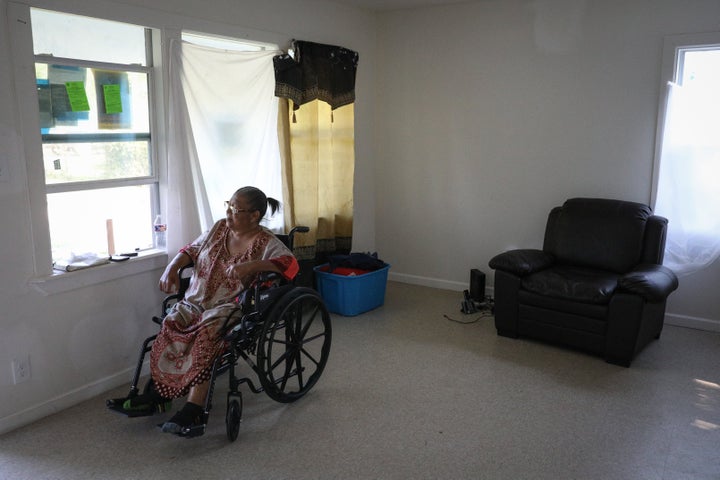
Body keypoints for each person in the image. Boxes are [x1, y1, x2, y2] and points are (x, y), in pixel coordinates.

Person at [122, 186, 299, 434]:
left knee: (205, 338)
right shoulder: (218, 228)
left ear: (254, 215)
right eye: (228, 204)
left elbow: (290, 267)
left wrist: (252, 266)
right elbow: (191, 250)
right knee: (171, 325)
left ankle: (194, 409)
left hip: (229, 306)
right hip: (195, 301)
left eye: (235, 209)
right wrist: (172, 267)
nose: (227, 212)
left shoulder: (266, 242)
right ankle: (159, 395)